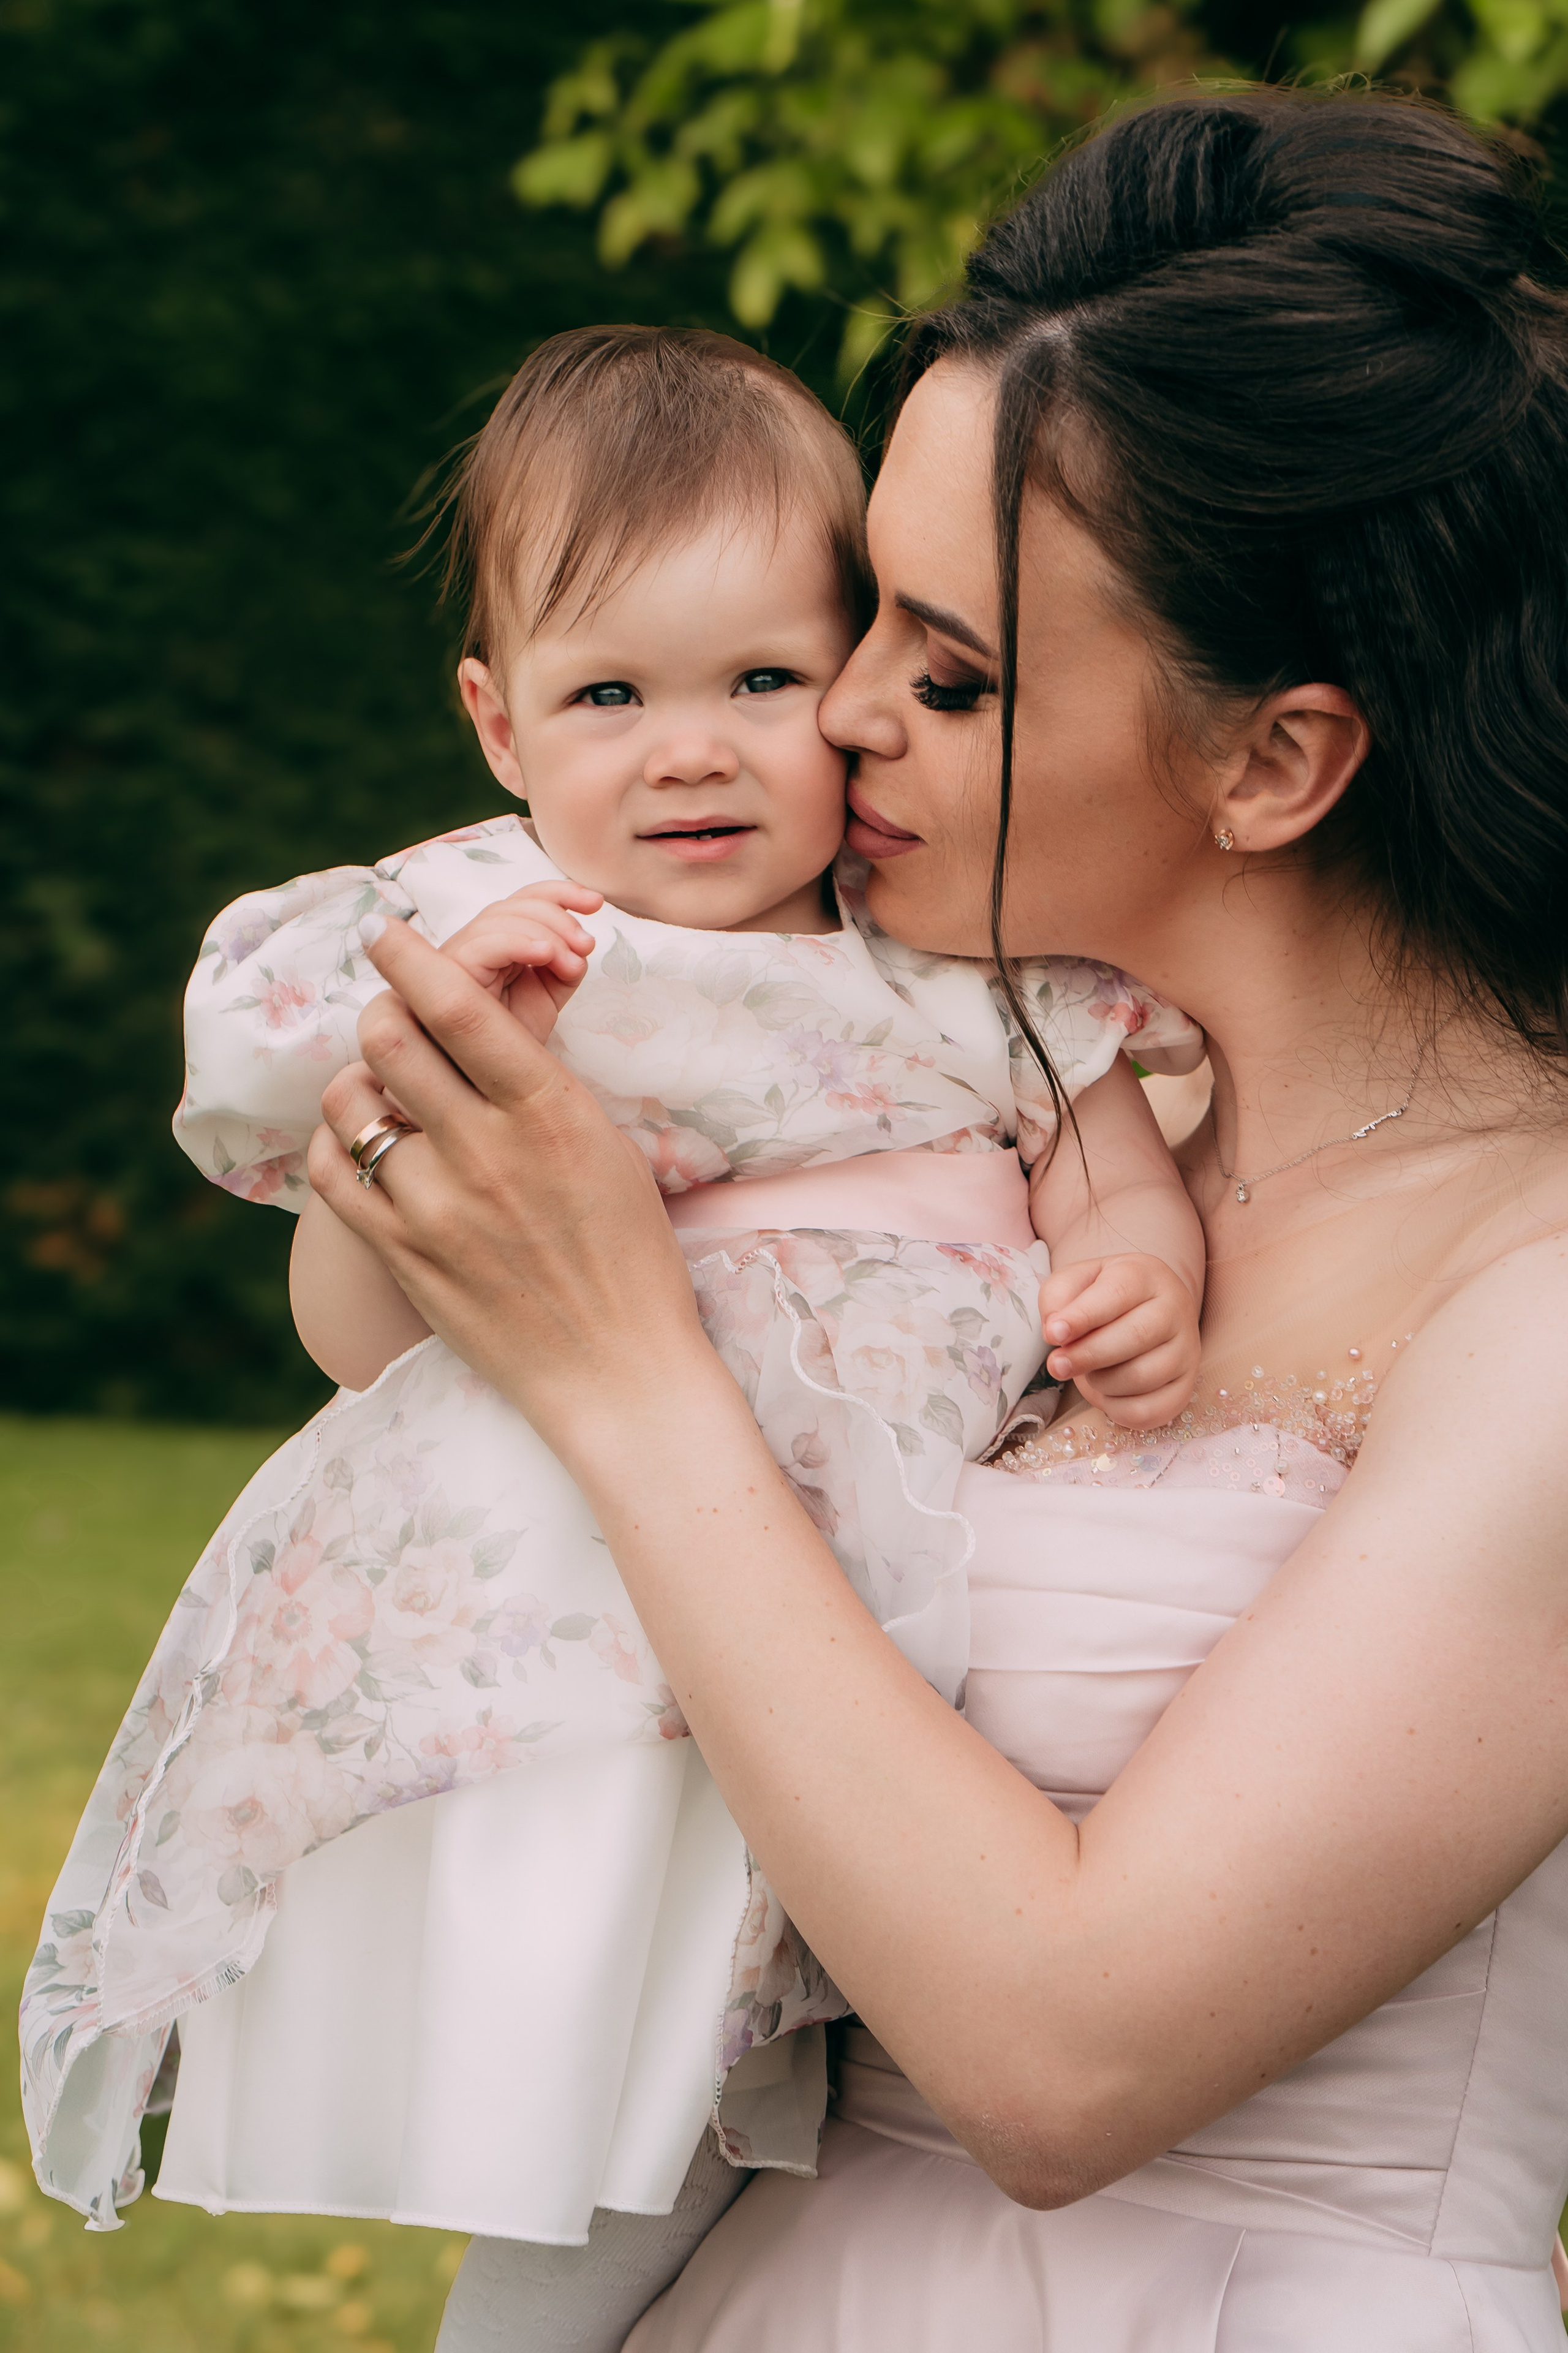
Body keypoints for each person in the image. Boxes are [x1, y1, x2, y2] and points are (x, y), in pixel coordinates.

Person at [290, 89, 1568, 2350]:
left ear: (1276, 759)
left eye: (955, 671)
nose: (840, 712)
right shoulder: (959, 1128)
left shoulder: (1537, 1289)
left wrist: (623, 1367)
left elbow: (1065, 2059)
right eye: (864, 609)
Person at [19, 327, 1204, 2345]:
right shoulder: (494, 947)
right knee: (604, 2089)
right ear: (497, 724)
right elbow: (361, 1334)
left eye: (761, 681)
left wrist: (1136, 1261)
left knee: (807, 2079)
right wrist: (434, 1086)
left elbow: (1102, 1139)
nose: (691, 749)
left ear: (849, 680)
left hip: (904, 1616)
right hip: (614, 1629)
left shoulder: (953, 952)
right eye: (610, 695)